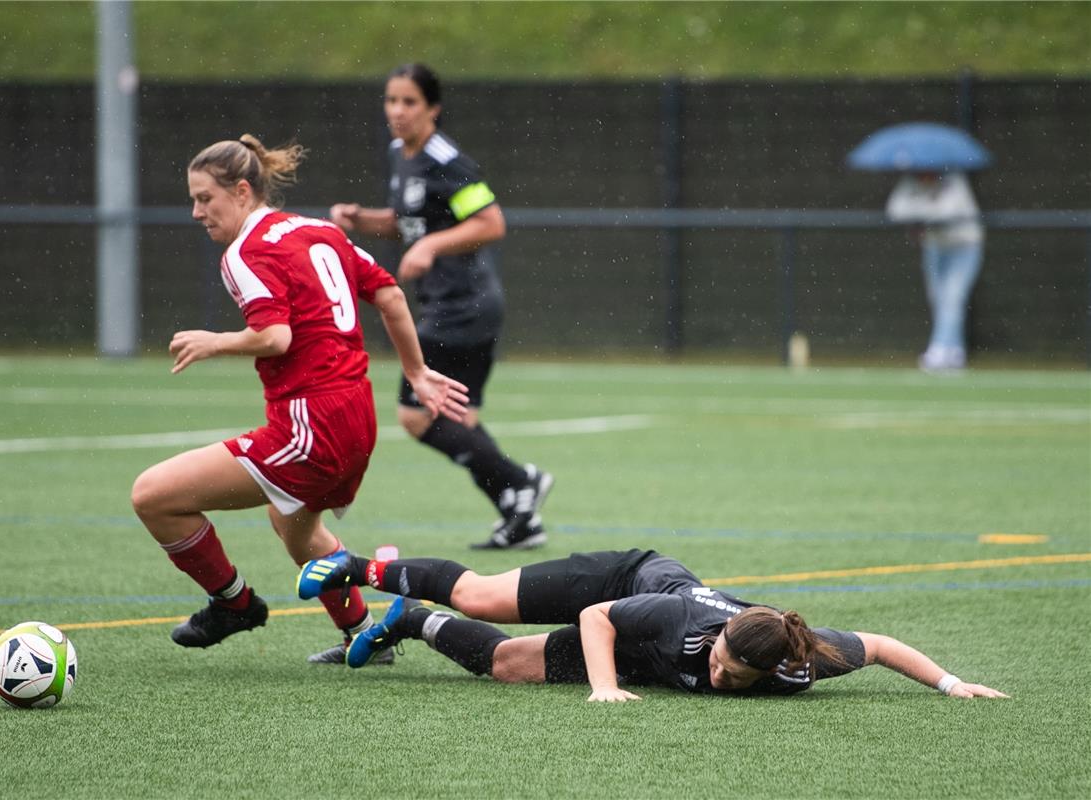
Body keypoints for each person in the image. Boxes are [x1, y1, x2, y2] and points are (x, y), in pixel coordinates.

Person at [130, 134, 468, 662]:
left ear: (242, 191)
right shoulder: (318, 229)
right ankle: (364, 636)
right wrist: (416, 372)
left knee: (152, 495)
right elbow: (390, 295)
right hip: (355, 414)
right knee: (292, 524)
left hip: (311, 425)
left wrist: (213, 340)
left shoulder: (245, 251)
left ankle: (233, 603)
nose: (196, 211)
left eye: (205, 198)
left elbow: (275, 337)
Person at [296, 548, 1008, 702]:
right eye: (722, 658)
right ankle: (357, 566)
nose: (721, 671)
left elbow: (879, 646)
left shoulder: (797, 661)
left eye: (732, 674)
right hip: (623, 589)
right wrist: (602, 688)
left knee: (507, 665)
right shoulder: (682, 618)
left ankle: (412, 621)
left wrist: (949, 684)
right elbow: (598, 617)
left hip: (641, 655)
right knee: (482, 598)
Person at [329, 63, 553, 551]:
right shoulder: (399, 154)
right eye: (391, 101)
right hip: (456, 304)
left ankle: (521, 481)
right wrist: (363, 220)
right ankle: (520, 514)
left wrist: (432, 248)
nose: (398, 111)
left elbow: (490, 222)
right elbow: (412, 221)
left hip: (462, 307)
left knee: (417, 414)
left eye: (409, 102)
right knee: (459, 418)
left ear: (433, 108)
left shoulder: (447, 161)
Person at [886, 171, 985, 372]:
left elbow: (948, 211)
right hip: (935, 247)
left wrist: (921, 210)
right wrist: (924, 210)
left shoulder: (954, 181)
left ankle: (938, 350)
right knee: (938, 298)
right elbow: (895, 209)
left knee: (952, 297)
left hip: (964, 247)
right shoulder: (910, 182)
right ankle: (955, 352)